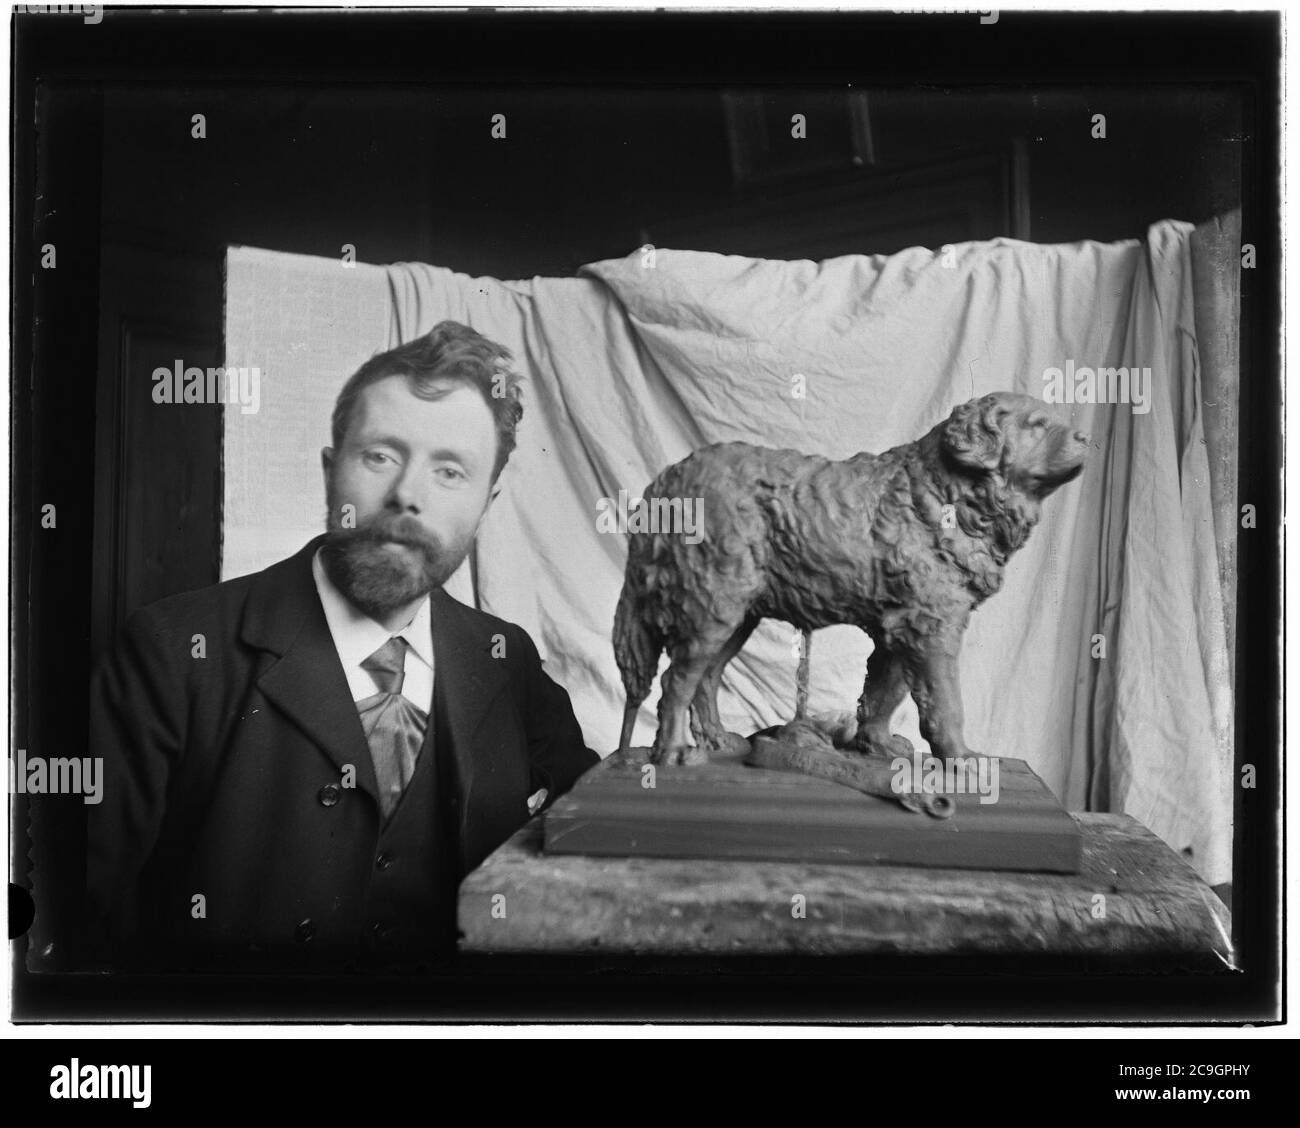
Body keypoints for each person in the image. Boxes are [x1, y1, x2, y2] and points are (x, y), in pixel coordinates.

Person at [86, 321, 598, 970]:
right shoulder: (170, 653)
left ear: (486, 501)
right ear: (331, 471)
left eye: (450, 471)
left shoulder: (507, 657)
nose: (408, 495)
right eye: (381, 456)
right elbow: (75, 922)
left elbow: (585, 833)